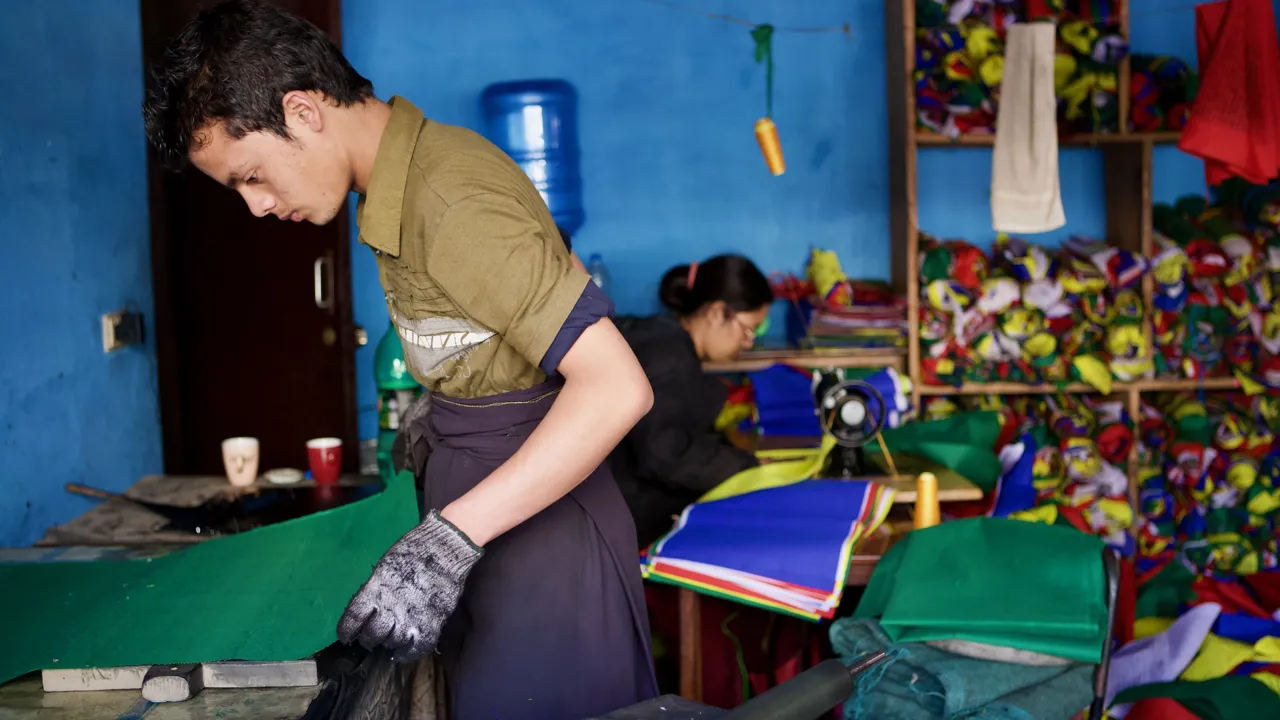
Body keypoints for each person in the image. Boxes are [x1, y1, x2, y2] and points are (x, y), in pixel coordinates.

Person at [142, 2, 658, 717]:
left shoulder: (449, 195)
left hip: (545, 548)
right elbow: (540, 282)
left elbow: (617, 388)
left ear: (303, 110)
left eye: (251, 175)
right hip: (495, 520)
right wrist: (450, 399)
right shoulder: (402, 185)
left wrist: (451, 539)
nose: (256, 207)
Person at [611, 254, 773, 548]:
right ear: (715, 312)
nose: (749, 342)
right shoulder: (669, 358)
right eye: (749, 329)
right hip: (626, 519)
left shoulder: (664, 338)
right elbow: (665, 453)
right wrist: (748, 468)